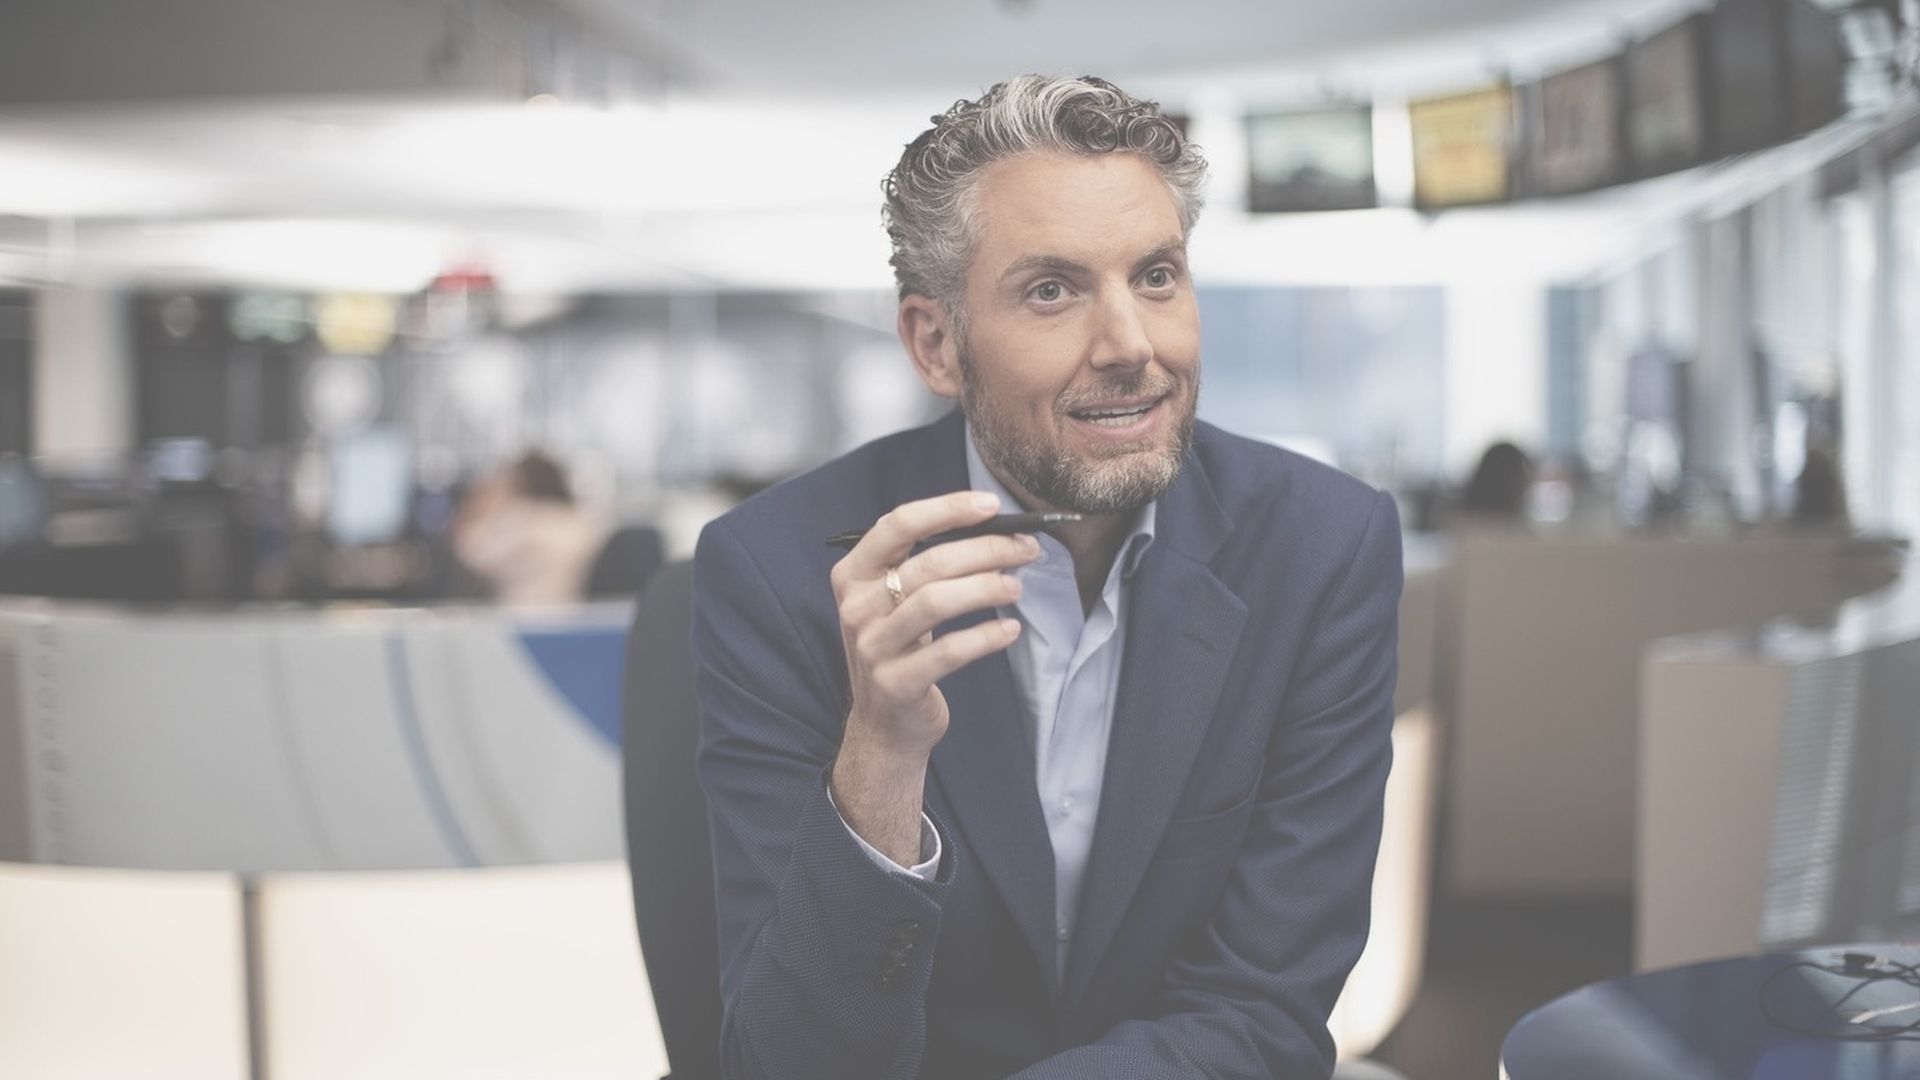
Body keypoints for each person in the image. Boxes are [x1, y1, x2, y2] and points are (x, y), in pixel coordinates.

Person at [692, 75, 1402, 1079]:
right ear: (937, 344)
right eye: (1052, 291)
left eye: (1157, 276)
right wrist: (882, 760)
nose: (1131, 346)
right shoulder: (776, 573)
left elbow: (1265, 1011)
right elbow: (790, 1059)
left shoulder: (1324, 549)